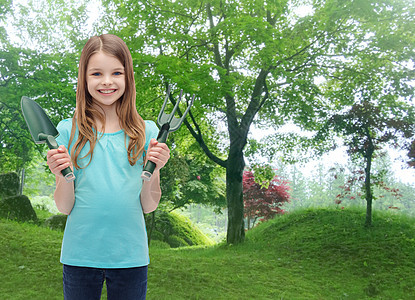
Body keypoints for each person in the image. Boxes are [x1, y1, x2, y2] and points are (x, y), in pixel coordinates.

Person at [46, 34, 170, 300]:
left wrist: (155, 169)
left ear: (128, 78)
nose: (106, 82)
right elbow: (64, 207)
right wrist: (62, 175)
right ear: (84, 78)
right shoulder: (67, 131)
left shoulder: (148, 132)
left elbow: (148, 206)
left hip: (131, 257)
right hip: (80, 256)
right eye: (96, 73)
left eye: (116, 72)